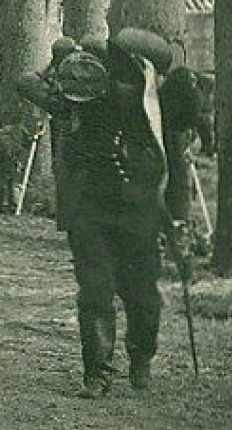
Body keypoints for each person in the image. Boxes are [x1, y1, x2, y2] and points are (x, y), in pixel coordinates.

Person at [17, 27, 189, 397]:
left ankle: (141, 358)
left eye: (142, 72)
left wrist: (178, 216)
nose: (134, 80)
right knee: (95, 291)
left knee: (143, 295)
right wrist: (58, 65)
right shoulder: (86, 92)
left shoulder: (160, 108)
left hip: (140, 211)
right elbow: (26, 84)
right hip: (90, 208)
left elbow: (175, 162)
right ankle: (98, 371)